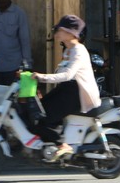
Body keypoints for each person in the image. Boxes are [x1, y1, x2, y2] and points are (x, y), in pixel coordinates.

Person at [31, 15, 102, 160]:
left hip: (77, 93)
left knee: (43, 116)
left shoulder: (79, 51)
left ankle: (62, 144)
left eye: (60, 29)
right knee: (38, 111)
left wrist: (41, 77)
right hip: (67, 90)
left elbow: (68, 75)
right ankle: (51, 145)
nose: (57, 32)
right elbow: (60, 73)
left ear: (71, 33)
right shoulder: (68, 51)